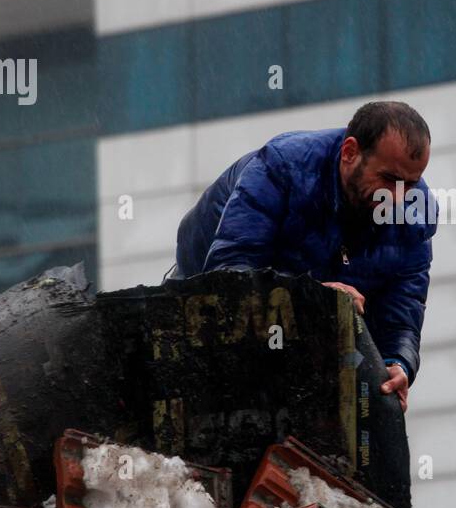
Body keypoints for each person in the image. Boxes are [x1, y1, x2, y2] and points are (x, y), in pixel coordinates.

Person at [174, 100, 435, 415]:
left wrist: (399, 363)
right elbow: (228, 279)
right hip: (195, 301)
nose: (397, 198)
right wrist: (316, 299)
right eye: (389, 179)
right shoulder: (281, 168)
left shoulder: (414, 217)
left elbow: (402, 312)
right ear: (350, 152)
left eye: (409, 183)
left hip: (307, 338)